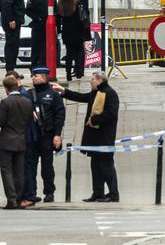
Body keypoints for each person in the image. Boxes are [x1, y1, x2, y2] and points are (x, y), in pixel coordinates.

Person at [51, 71, 120, 202]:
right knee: (95, 166)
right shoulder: (96, 92)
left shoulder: (110, 94)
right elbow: (82, 97)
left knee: (106, 166)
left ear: (100, 81)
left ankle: (113, 194)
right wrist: (63, 91)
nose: (91, 82)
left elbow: (111, 114)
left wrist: (94, 121)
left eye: (92, 80)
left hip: (104, 137)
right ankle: (98, 192)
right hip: (94, 137)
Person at [21, 67, 65, 207]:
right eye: (33, 76)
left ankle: (49, 191)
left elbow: (60, 115)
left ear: (45, 77)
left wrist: (57, 134)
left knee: (47, 166)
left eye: (37, 76)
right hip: (32, 136)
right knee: (30, 165)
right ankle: (31, 193)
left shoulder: (53, 95)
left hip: (47, 134)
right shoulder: (29, 94)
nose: (34, 78)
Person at [0, 76, 32, 210]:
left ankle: (11, 199)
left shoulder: (6, 102)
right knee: (19, 171)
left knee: (6, 170)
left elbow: (0, 121)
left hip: (7, 140)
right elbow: (29, 121)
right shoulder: (27, 102)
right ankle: (19, 197)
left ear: (6, 89)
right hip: (21, 140)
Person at [59, 0, 92, 81]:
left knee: (70, 53)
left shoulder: (63, 2)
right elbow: (83, 14)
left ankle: (70, 73)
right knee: (78, 52)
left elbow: (59, 15)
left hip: (67, 31)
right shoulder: (76, 1)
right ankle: (78, 72)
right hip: (77, 30)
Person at [26, 0, 61, 68]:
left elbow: (56, 11)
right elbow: (28, 11)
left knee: (47, 49)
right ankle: (34, 67)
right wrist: (38, 18)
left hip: (49, 28)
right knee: (36, 48)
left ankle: (45, 67)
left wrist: (56, 25)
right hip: (38, 27)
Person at [0, 0, 27, 71]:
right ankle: (10, 70)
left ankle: (12, 69)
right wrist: (11, 19)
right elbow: (5, 4)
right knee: (12, 46)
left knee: (14, 46)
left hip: (15, 21)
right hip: (12, 22)